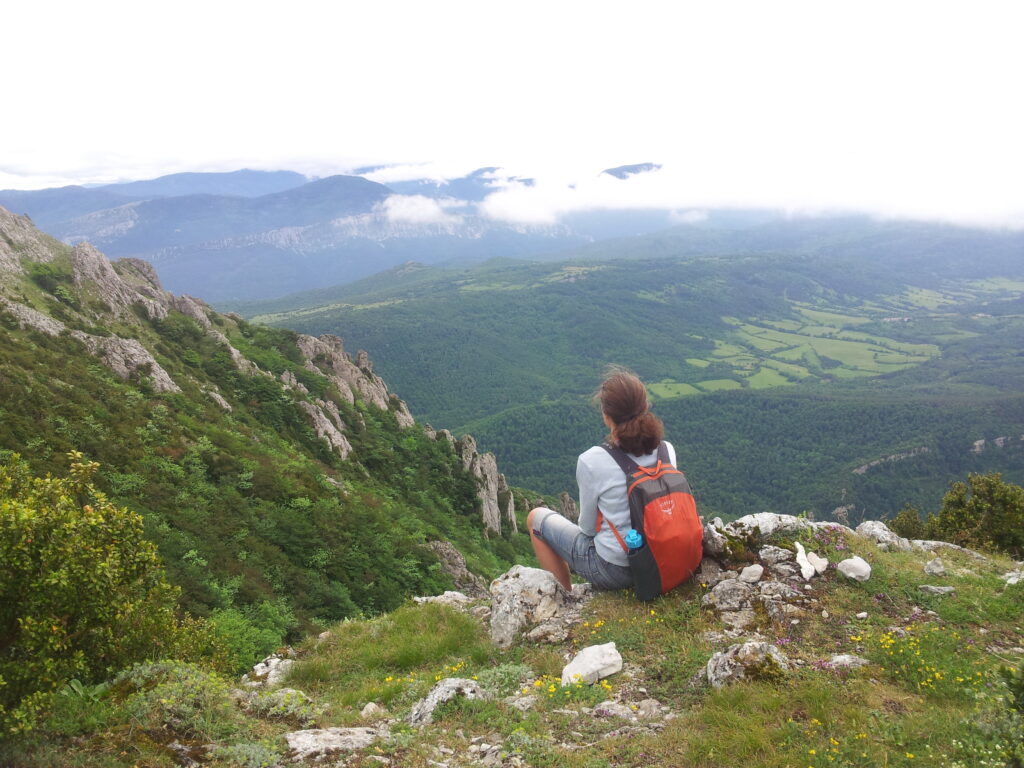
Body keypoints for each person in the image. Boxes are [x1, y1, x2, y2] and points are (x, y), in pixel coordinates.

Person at [527, 367, 678, 591]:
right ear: (645, 407)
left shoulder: (591, 460)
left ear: (606, 417)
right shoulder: (666, 450)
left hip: (617, 571)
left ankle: (565, 597)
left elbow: (587, 528)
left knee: (535, 518)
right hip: (666, 558)